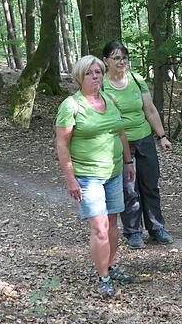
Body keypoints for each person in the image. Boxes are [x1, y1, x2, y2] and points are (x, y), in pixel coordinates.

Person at [55, 55, 136, 297]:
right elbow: (62, 145)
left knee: (112, 224)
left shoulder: (109, 99)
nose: (95, 76)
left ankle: (111, 266)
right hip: (88, 176)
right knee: (99, 227)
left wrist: (128, 161)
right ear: (80, 77)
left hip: (113, 172)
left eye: (98, 72)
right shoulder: (71, 105)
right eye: (90, 73)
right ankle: (103, 277)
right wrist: (70, 178)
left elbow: (120, 133)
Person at [102, 41, 174, 249]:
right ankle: (133, 231)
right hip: (119, 142)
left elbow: (150, 109)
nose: (121, 61)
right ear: (106, 61)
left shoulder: (136, 79)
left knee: (150, 184)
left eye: (124, 57)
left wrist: (162, 136)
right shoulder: (103, 85)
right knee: (129, 187)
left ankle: (156, 227)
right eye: (116, 58)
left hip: (144, 139)